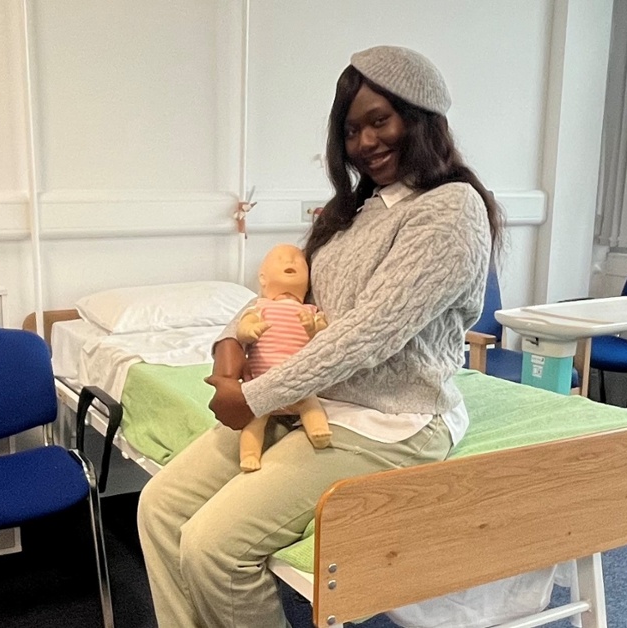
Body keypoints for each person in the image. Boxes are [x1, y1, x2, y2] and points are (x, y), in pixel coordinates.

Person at [136, 45, 501, 627]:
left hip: (392, 420)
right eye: (352, 129)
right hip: (309, 402)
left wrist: (251, 396)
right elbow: (286, 299)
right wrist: (229, 350)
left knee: (214, 548)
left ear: (420, 114)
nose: (365, 142)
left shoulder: (451, 209)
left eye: (379, 120)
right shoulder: (354, 212)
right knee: (159, 508)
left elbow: (366, 334)